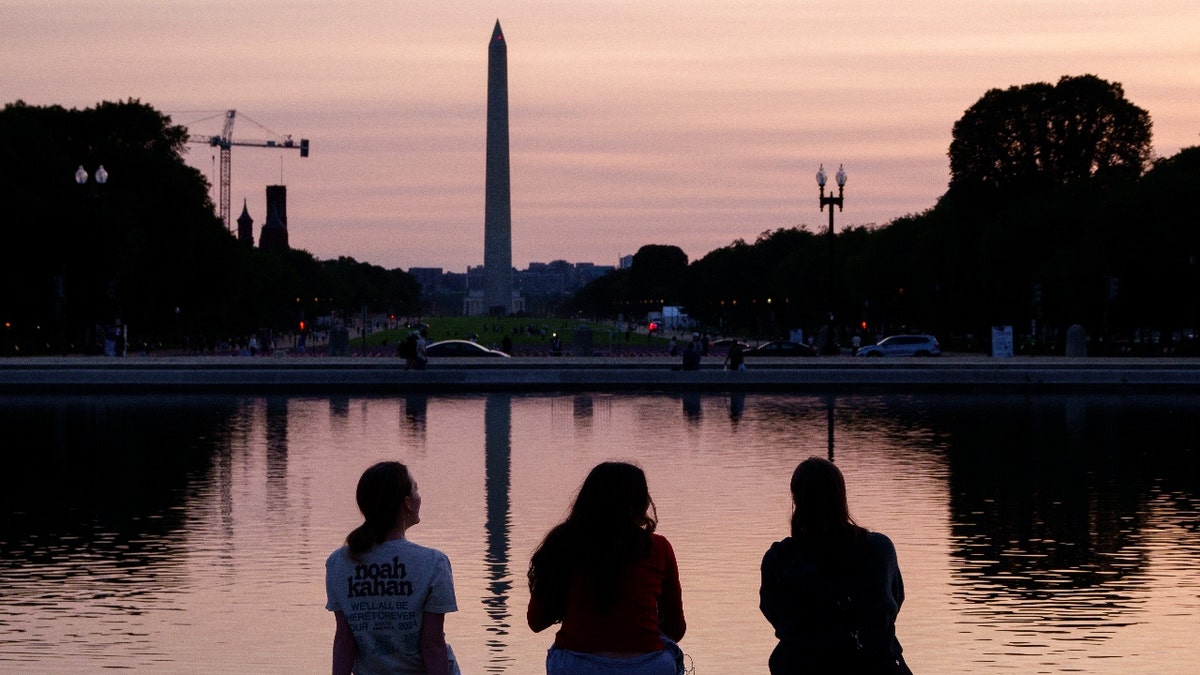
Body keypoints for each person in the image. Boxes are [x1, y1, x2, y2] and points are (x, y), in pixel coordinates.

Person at [528, 462, 687, 675]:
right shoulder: (658, 547)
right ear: (640, 503)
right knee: (670, 651)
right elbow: (676, 629)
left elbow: (536, 622)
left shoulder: (563, 544)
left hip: (577, 665)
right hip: (647, 666)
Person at [759, 457, 911, 675]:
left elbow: (773, 611)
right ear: (841, 495)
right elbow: (893, 601)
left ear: (796, 499)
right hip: (873, 664)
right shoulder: (878, 548)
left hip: (801, 664)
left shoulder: (779, 558)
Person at [326, 461, 460, 675]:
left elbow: (345, 639)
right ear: (406, 503)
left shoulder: (338, 563)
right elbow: (431, 645)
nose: (419, 497)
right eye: (416, 489)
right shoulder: (433, 563)